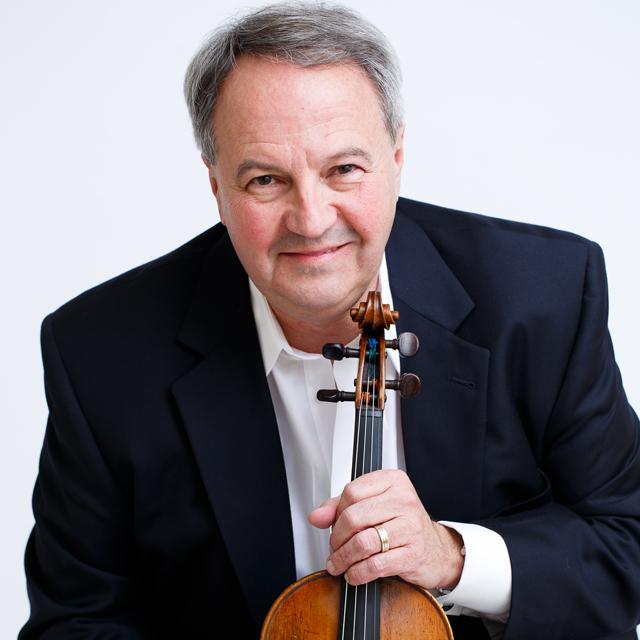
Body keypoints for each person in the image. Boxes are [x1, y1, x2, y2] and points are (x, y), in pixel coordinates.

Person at [20, 3, 640, 639]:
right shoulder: (102, 354)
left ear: (397, 155)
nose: (312, 220)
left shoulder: (543, 299)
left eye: (344, 169)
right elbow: (76, 621)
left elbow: (627, 551)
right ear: (216, 188)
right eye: (266, 180)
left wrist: (454, 558)